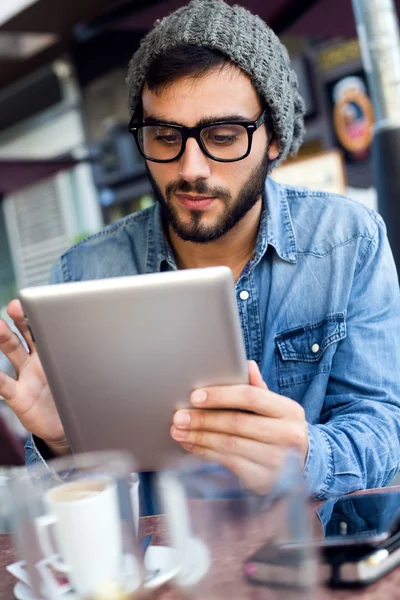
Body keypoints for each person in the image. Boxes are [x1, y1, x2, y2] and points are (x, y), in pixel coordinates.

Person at [0, 0, 399, 502]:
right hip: (165, 574)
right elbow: (90, 508)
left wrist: (306, 456)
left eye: (223, 136)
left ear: (274, 137)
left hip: (324, 561)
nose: (191, 167)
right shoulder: (85, 273)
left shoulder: (348, 240)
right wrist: (61, 444)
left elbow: (385, 429)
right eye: (165, 136)